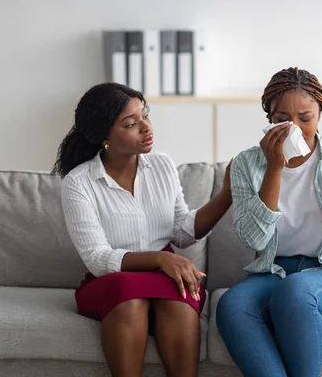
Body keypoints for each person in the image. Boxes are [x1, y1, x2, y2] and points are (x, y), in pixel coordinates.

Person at [53, 82, 232, 377]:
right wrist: (161, 259)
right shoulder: (79, 183)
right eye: (131, 123)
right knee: (129, 296)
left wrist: (227, 193)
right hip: (112, 280)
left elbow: (182, 232)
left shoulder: (162, 165)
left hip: (165, 276)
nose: (146, 127)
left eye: (144, 115)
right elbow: (98, 259)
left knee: (180, 294)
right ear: (104, 136)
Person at [216, 67, 322, 377]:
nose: (296, 129)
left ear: (319, 114)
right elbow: (255, 242)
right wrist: (275, 169)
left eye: (306, 118)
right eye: (282, 120)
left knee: (296, 292)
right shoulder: (247, 164)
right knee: (232, 306)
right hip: (276, 272)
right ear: (270, 119)